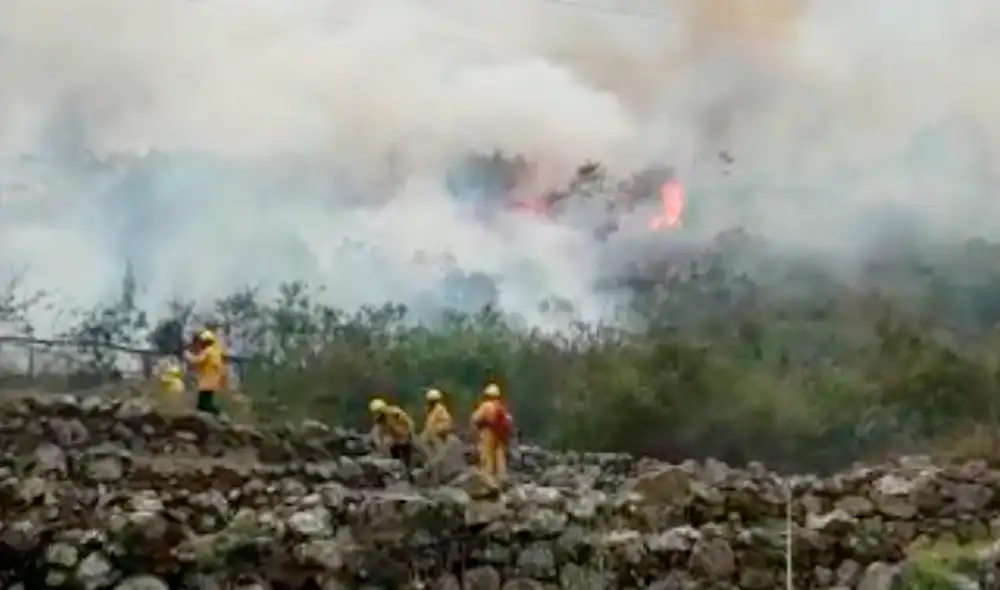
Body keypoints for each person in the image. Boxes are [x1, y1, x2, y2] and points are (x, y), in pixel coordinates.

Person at [470, 383, 514, 486]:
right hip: (500, 436)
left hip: (488, 433)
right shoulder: (500, 407)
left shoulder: (486, 405)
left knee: (487, 456)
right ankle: (502, 478)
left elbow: (475, 418)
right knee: (499, 456)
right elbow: (509, 420)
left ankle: (488, 480)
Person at [369, 398, 417, 472]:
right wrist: (380, 445)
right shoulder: (379, 419)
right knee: (395, 459)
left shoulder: (395, 413)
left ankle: (409, 474)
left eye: (378, 412)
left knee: (407, 458)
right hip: (395, 441)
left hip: (405, 438)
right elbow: (378, 431)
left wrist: (411, 434)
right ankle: (398, 473)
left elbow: (408, 422)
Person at [185, 330, 225, 416]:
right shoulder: (215, 351)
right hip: (212, 380)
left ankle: (219, 414)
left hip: (207, 381)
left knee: (205, 404)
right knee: (204, 403)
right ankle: (212, 416)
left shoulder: (208, 351)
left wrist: (189, 356)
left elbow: (198, 360)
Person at [421, 388, 454, 453]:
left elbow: (447, 425)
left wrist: (437, 431)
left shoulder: (441, 410)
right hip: (430, 441)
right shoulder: (430, 411)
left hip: (438, 441)